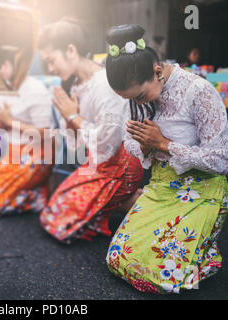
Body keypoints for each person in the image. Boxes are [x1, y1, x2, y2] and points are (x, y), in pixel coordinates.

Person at [104, 24, 228, 294]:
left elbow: (221, 160)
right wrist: (147, 146)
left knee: (159, 278)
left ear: (157, 71)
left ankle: (204, 253)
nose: (137, 104)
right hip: (163, 186)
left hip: (201, 189)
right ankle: (195, 248)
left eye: (139, 96)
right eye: (130, 100)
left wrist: (163, 143)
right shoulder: (139, 98)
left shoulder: (199, 92)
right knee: (117, 258)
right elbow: (132, 139)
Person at [38, 18, 144, 243]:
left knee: (59, 223)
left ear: (70, 50)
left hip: (120, 166)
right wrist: (70, 120)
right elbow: (78, 148)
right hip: (98, 164)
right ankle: (123, 204)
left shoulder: (104, 83)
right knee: (53, 212)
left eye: (51, 60)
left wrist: (73, 117)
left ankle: (129, 201)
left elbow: (108, 145)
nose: (50, 68)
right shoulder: (76, 85)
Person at [0, 54, 54, 216]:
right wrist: (1, 120)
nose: (1, 71)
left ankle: (35, 197)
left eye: (3, 66)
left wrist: (9, 121)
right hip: (14, 150)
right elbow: (3, 125)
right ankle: (30, 190)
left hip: (36, 151)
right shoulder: (6, 89)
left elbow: (44, 133)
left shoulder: (35, 89)